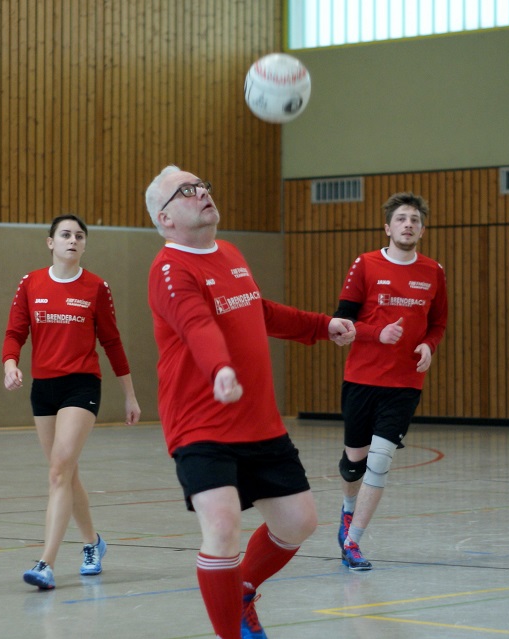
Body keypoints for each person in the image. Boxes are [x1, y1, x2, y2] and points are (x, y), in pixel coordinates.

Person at [144, 166, 355, 639]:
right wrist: (220, 367)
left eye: (202, 186)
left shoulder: (231, 253)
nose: (201, 193)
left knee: (300, 522)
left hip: (258, 421)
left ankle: (240, 590)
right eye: (186, 191)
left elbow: (256, 310)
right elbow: (196, 322)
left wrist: (321, 326)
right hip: (201, 426)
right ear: (165, 218)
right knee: (221, 528)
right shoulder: (169, 268)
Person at [2, 214, 141, 590]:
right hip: (43, 388)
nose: (72, 241)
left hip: (82, 385)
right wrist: (10, 365)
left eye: (79, 236)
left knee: (59, 471)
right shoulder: (31, 283)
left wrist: (129, 394)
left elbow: (112, 342)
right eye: (65, 235)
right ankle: (93, 543)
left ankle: (45, 563)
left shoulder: (97, 287)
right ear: (50, 242)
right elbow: (16, 331)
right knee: (66, 472)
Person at [333, 192, 448, 571]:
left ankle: (353, 542)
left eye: (414, 220)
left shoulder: (434, 271)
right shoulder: (364, 265)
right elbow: (342, 325)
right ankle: (347, 511)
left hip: (404, 385)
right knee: (355, 465)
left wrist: (430, 346)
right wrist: (375, 335)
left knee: (380, 463)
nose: (408, 225)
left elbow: (438, 324)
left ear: (422, 229)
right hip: (362, 379)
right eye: (401, 219)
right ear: (388, 227)